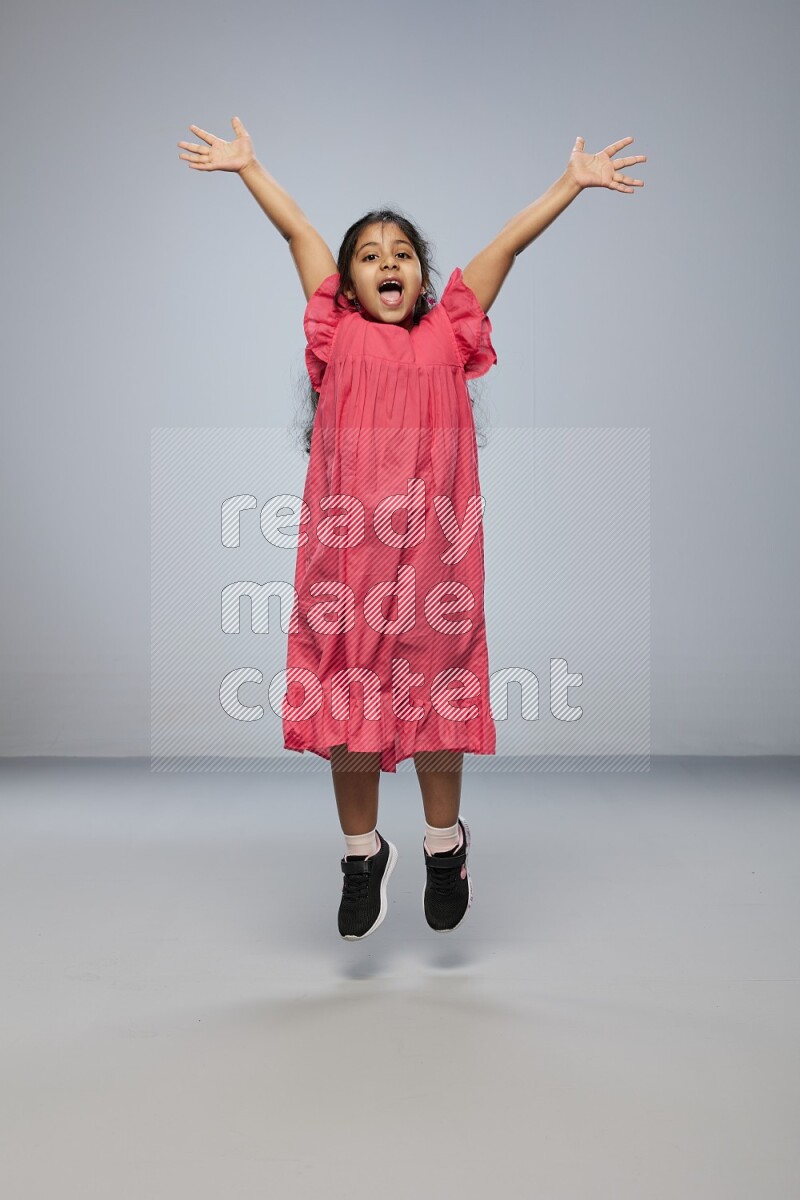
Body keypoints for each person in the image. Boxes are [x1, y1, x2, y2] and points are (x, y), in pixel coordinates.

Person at [177, 117, 646, 942]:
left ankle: (443, 845)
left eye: (402, 253)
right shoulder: (339, 334)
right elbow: (297, 230)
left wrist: (570, 184)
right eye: (369, 254)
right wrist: (252, 169)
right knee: (347, 705)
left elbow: (507, 246)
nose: (387, 261)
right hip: (346, 560)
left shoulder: (448, 331)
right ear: (347, 286)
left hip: (435, 559)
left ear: (422, 279)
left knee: (438, 694)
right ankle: (363, 854)